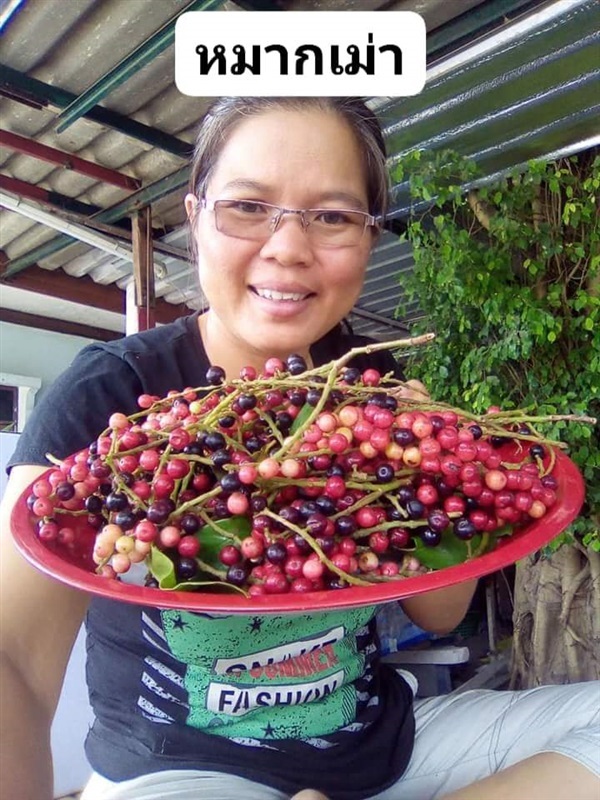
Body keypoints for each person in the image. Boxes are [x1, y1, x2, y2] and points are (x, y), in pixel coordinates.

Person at [1, 97, 598, 800]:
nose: (288, 247)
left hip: (390, 756)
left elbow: (438, 613)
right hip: (180, 774)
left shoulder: (375, 394)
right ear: (194, 220)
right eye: (248, 207)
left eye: (334, 216)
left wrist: (442, 459)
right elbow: (14, 658)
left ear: (370, 237)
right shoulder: (114, 398)